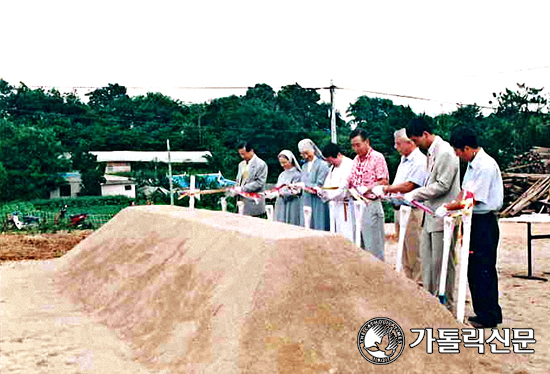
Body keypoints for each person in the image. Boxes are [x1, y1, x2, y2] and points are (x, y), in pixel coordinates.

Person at [445, 126, 503, 328]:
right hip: (473, 220)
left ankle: (489, 315)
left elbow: (473, 199)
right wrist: (452, 205)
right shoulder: (471, 166)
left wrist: (447, 207)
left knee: (483, 268)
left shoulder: (485, 165)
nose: (458, 155)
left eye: (459, 151)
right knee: (474, 269)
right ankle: (485, 311)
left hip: (484, 221)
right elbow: (463, 193)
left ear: (467, 147)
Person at [405, 118, 460, 310]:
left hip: (443, 216)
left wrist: (416, 193)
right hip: (430, 216)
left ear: (426, 134)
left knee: (443, 263)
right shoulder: (431, 153)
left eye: (416, 139)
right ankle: (430, 303)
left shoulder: (445, 152)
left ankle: (447, 306)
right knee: (428, 263)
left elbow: (443, 184)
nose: (415, 144)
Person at [375, 128, 427, 283]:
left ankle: (419, 284)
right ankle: (409, 282)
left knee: (414, 251)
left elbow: (409, 186)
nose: (396, 147)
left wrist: (386, 188)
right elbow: (399, 185)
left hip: (412, 210)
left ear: (409, 142)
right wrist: (389, 193)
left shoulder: (419, 161)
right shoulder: (403, 161)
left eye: (398, 144)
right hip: (399, 209)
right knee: (404, 251)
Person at [347, 128, 389, 260]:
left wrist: (368, 188)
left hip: (371, 204)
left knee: (374, 245)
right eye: (353, 145)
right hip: (357, 204)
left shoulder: (377, 157)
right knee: (360, 244)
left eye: (358, 145)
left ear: (367, 142)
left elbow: (384, 180)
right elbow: (352, 179)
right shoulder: (356, 159)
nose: (355, 148)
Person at [318, 142, 355, 242]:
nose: (331, 163)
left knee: (347, 234)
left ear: (338, 154)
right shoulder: (332, 168)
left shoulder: (349, 164)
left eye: (331, 160)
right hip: (334, 205)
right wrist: (321, 192)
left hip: (345, 205)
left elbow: (344, 187)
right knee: (337, 233)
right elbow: (327, 185)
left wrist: (330, 196)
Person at [297, 139, 330, 231]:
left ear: (313, 150)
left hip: (318, 201)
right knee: (306, 225)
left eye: (306, 152)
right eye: (302, 153)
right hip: (306, 200)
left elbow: (320, 185)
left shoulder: (322, 165)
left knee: (318, 224)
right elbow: (302, 181)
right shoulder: (304, 166)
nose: (305, 155)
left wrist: (305, 185)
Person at [235, 141, 268, 217]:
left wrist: (242, 188)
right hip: (241, 201)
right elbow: (238, 180)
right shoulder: (241, 164)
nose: (242, 156)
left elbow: (259, 183)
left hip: (253, 202)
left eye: (244, 154)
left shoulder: (261, 164)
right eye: (240, 154)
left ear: (251, 151)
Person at [272, 150, 304, 226]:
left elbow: (295, 191)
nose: (282, 165)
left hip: (292, 203)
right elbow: (278, 187)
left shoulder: (297, 175)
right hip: (280, 202)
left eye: (284, 162)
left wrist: (281, 192)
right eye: (281, 163)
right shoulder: (282, 174)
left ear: (290, 161)